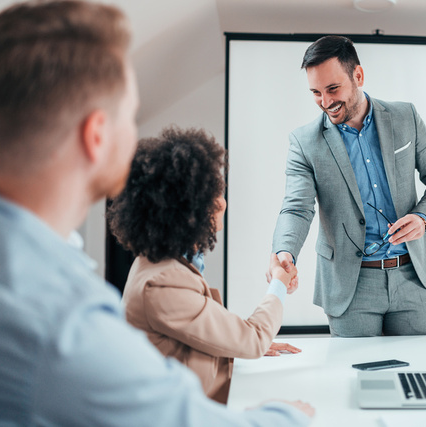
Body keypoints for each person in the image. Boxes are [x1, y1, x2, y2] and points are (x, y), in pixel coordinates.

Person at [0, 0, 313, 425]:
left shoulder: (28, 274)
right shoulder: (61, 317)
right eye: (132, 114)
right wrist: (286, 415)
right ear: (98, 135)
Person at [270, 35, 426, 337]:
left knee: (420, 374)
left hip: (412, 276)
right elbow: (296, 207)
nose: (326, 102)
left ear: (358, 75)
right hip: (350, 286)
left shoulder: (405, 116)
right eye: (315, 92)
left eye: (333, 89)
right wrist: (284, 252)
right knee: (357, 382)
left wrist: (423, 218)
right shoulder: (304, 142)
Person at [107, 126, 301, 404]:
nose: (222, 202)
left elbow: (191, 338)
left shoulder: (158, 263)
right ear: (185, 209)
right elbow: (254, 338)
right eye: (212, 193)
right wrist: (278, 283)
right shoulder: (163, 282)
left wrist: (233, 345)